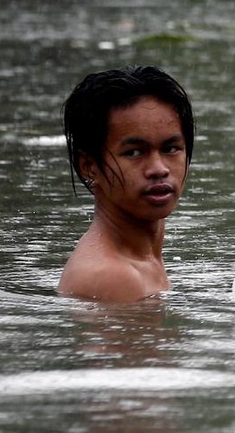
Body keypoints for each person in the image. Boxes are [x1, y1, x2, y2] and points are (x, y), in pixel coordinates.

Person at [58, 65, 195, 302]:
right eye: (134, 153)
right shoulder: (115, 278)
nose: (159, 169)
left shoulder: (142, 248)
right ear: (89, 166)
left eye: (170, 149)